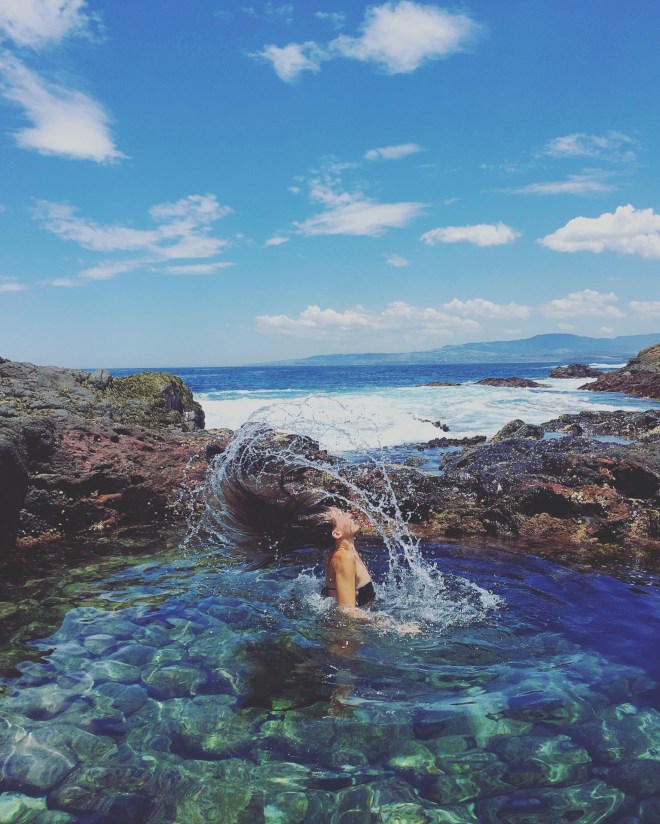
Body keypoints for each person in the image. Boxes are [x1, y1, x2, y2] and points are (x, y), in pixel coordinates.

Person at [217, 466, 376, 612]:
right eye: (341, 515)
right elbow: (347, 613)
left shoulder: (341, 551)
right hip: (345, 638)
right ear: (336, 534)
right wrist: (390, 625)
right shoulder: (344, 557)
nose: (348, 514)